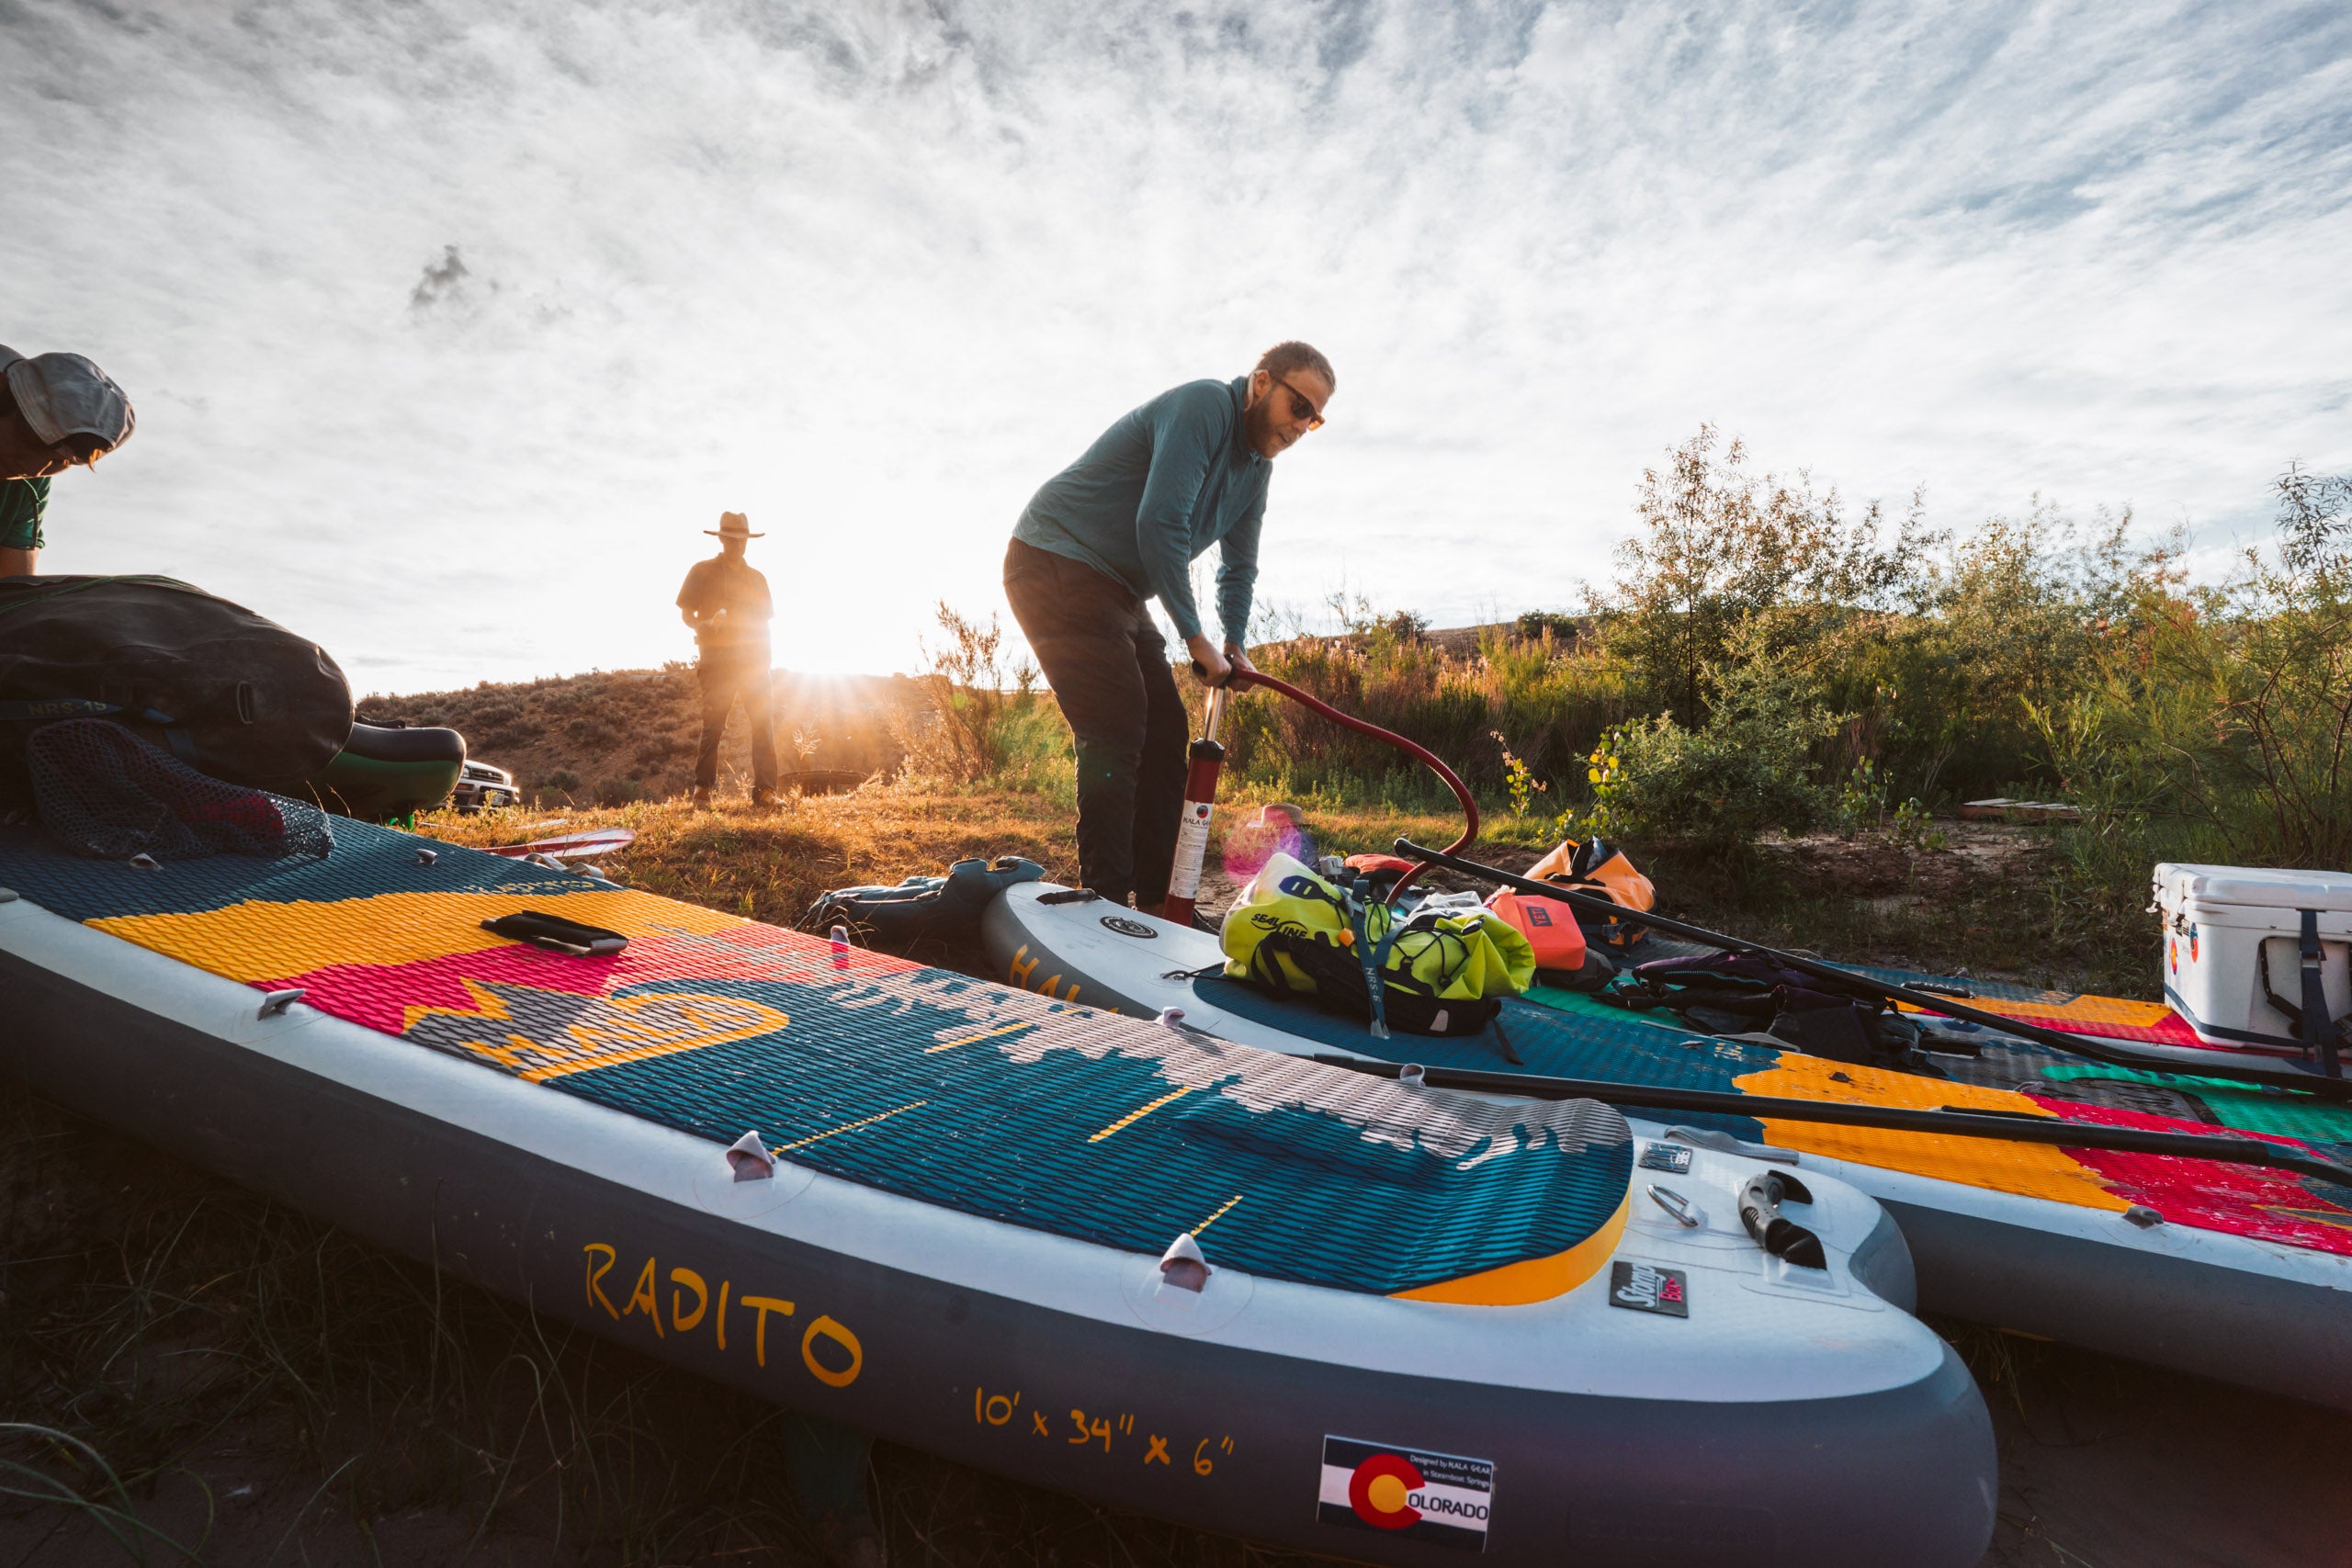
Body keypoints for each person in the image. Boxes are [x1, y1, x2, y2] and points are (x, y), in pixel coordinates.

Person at [1004, 341, 1333, 913]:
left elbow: (1239, 566)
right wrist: (1194, 636)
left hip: (1120, 590)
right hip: (1055, 556)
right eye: (1298, 404)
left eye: (1315, 417)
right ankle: (1102, 899)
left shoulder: (1256, 470)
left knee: (1164, 732)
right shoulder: (1204, 407)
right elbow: (1161, 522)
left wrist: (1234, 643)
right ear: (1261, 383)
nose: (1302, 426)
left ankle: (1160, 902)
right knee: (1118, 721)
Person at [0, 344, 137, 577]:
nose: (35, 468)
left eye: (61, 462)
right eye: (32, 443)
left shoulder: (28, 486)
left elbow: (13, 593)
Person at [676, 510, 778, 809]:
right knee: (714, 725)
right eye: (731, 539)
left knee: (763, 725)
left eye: (741, 540)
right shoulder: (701, 571)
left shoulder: (757, 579)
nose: (737, 545)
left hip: (754, 664)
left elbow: (764, 623)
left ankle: (766, 793)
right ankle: (703, 791)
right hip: (717, 663)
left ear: (747, 541)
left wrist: (765, 662)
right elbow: (686, 614)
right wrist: (703, 626)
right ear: (722, 539)